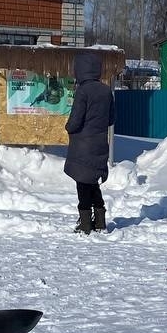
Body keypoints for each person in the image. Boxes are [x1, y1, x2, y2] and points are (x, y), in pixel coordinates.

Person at [64, 50, 114, 234]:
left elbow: (75, 121)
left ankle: (85, 223)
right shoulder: (106, 90)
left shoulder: (82, 90)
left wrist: (68, 127)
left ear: (80, 69)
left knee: (82, 184)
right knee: (93, 182)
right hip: (100, 143)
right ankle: (100, 221)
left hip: (82, 145)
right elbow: (111, 119)